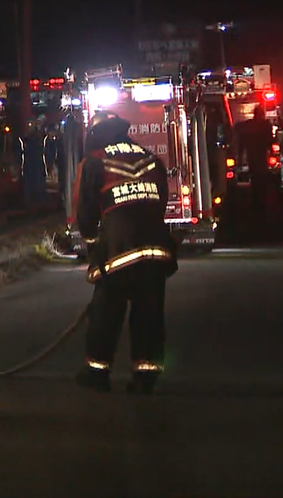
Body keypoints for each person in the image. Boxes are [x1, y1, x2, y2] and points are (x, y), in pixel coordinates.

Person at [74, 111, 178, 395]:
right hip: (156, 248)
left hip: (118, 251)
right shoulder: (149, 157)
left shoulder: (95, 161)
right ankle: (145, 377)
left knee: (105, 312)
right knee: (149, 315)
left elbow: (85, 210)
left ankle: (97, 373)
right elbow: (160, 201)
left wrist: (94, 243)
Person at [22, 120, 49, 209]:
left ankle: (31, 202)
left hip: (30, 164)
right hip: (35, 164)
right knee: (37, 183)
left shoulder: (26, 140)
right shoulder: (38, 139)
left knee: (30, 184)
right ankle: (38, 202)